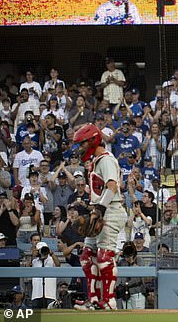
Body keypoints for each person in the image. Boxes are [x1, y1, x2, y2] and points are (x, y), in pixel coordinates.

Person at [73, 123, 126, 311]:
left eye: (82, 144)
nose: (80, 148)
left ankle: (109, 301)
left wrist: (100, 210)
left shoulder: (105, 160)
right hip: (100, 210)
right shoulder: (96, 161)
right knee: (87, 256)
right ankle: (94, 300)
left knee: (104, 257)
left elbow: (112, 186)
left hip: (110, 210)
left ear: (93, 141)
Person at [30, 241, 61, 308]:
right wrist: (32, 256)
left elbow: (58, 265)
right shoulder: (34, 261)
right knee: (37, 315)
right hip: (37, 293)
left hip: (50, 293)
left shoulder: (52, 260)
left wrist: (51, 253)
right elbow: (26, 268)